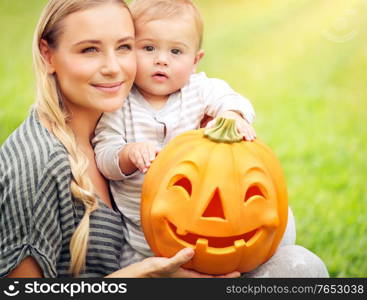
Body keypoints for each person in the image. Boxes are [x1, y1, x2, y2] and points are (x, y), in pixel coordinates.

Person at [0, 0, 240, 278]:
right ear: (48, 55)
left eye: (124, 46)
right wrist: (141, 279)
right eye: (90, 50)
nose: (113, 68)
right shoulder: (38, 167)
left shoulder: (124, 125)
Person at [92, 0, 329, 278]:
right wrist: (127, 154)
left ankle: (254, 265)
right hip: (149, 243)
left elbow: (231, 98)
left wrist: (232, 115)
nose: (162, 59)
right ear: (129, 51)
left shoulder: (199, 89)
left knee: (278, 216)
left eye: (176, 51)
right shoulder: (120, 106)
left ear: (195, 60)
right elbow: (104, 154)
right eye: (148, 48)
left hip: (220, 217)